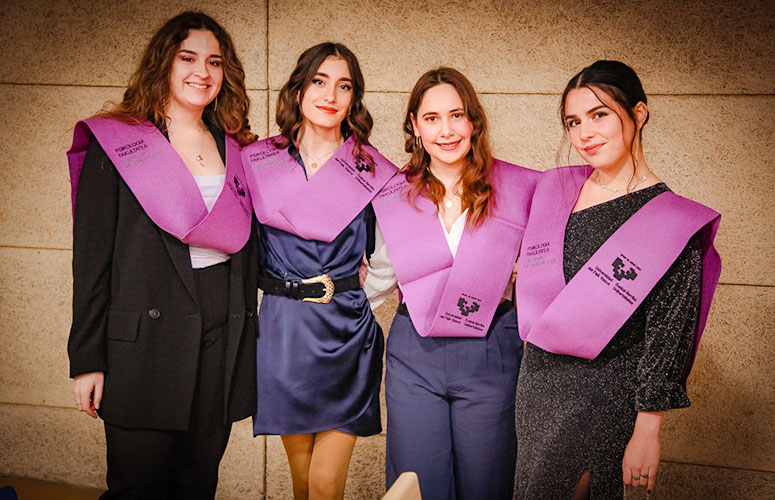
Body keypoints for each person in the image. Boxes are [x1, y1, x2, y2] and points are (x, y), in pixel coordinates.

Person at [67, 12, 258, 500]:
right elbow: (91, 260)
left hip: (220, 332)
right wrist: (86, 359)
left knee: (198, 484)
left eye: (214, 62)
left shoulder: (236, 147)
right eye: (187, 58)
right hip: (143, 343)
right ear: (164, 64)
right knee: (138, 486)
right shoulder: (119, 143)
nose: (202, 72)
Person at [514, 60, 722, 499]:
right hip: (537, 385)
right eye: (574, 122)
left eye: (599, 115)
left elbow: (668, 334)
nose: (584, 133)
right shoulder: (557, 192)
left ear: (638, 114)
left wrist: (648, 429)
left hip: (605, 393)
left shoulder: (671, 221)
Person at [364, 67, 540, 500]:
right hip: (414, 352)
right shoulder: (393, 193)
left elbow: (543, 270)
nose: (446, 130)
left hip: (491, 348)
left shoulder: (515, 189)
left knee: (487, 482)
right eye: (432, 118)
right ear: (415, 126)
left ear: (473, 121)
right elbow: (381, 276)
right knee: (416, 483)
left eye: (457, 116)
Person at [241, 43, 398, 500]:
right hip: (284, 330)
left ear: (354, 98)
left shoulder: (371, 168)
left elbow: (389, 256)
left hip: (344, 330)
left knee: (327, 483)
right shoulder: (259, 160)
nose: (330, 95)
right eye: (319, 81)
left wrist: (353, 297)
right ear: (299, 89)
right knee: (302, 480)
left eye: (343, 86)